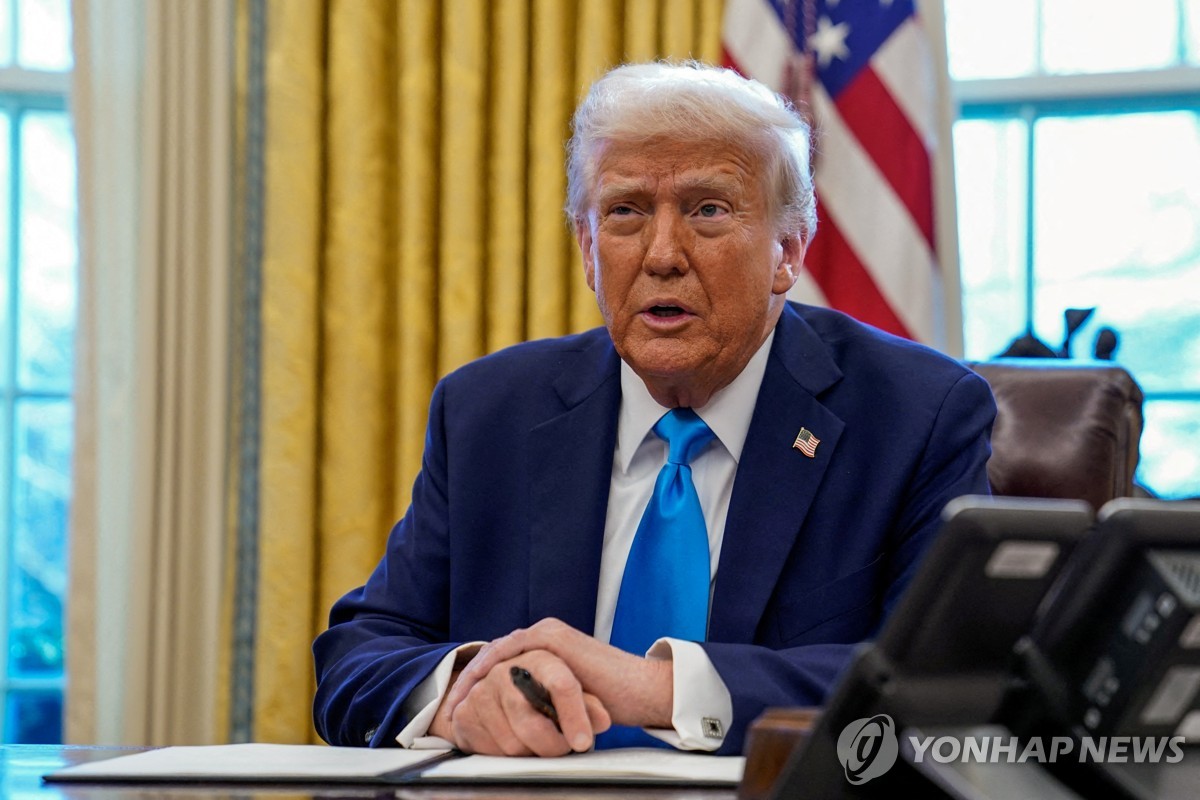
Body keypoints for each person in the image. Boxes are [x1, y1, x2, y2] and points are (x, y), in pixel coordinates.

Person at [313, 61, 995, 757]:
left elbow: (945, 686)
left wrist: (663, 689)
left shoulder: (916, 415)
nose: (662, 255)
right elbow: (355, 657)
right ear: (587, 249)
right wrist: (463, 694)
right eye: (626, 212)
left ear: (787, 251)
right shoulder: (489, 412)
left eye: (708, 210)